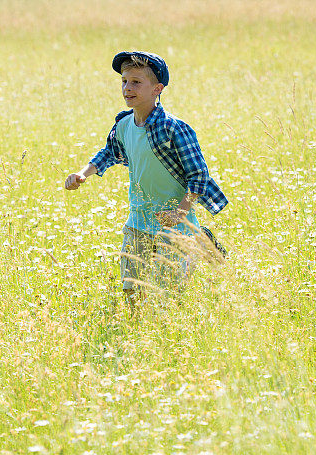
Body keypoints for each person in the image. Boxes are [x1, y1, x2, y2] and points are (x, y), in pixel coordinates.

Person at [64, 51, 228, 301]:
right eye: (124, 81)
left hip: (173, 225)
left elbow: (199, 176)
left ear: (157, 89)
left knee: (170, 295)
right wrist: (82, 173)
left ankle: (197, 238)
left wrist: (180, 213)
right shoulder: (124, 125)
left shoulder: (174, 128)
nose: (128, 88)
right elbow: (109, 152)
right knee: (131, 290)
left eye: (136, 82)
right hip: (137, 221)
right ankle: (200, 240)